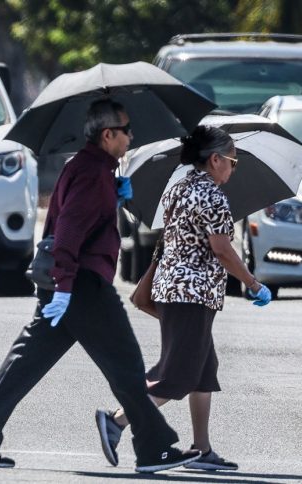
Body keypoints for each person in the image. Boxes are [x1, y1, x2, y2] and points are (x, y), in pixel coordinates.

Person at [0, 99, 201, 473]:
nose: (131, 136)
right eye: (126, 130)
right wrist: (65, 286)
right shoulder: (91, 173)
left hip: (69, 282)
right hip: (82, 285)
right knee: (127, 366)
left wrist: (113, 199)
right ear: (107, 135)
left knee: (26, 363)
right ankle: (154, 449)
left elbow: (80, 223)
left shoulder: (92, 168)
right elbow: (68, 232)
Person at [95, 125, 272, 471]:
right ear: (216, 159)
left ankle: (201, 450)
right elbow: (222, 250)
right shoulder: (214, 197)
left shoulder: (181, 187)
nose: (235, 169)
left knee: (203, 371)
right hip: (192, 293)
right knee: (177, 375)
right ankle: (116, 421)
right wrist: (252, 283)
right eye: (233, 162)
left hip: (174, 289)